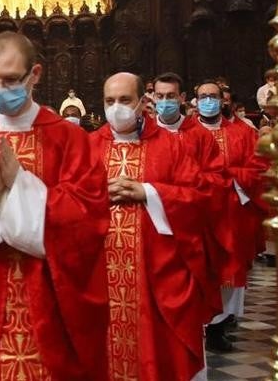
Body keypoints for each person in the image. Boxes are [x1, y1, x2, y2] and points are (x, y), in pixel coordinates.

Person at [0, 31, 108, 380]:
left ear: (35, 74)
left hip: (50, 299)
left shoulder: (68, 138)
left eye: (10, 80)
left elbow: (90, 213)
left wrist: (22, 185)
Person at [90, 72, 206, 380]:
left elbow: (198, 198)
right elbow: (65, 202)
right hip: (101, 274)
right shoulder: (86, 147)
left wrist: (150, 193)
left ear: (144, 102)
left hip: (155, 273)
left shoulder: (171, 146)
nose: (116, 107)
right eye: (109, 101)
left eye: (125, 100)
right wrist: (97, 196)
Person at [152, 72, 231, 351]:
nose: (165, 102)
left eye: (170, 97)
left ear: (183, 99)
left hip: (191, 231)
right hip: (154, 233)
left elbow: (218, 182)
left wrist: (184, 187)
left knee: (187, 313)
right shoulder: (144, 135)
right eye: (159, 97)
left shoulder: (199, 136)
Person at [193, 80, 268, 344]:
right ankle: (194, 323)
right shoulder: (185, 133)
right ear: (194, 100)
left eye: (212, 96)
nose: (208, 100)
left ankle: (218, 325)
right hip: (195, 214)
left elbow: (258, 167)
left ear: (224, 100)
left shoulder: (243, 133)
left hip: (230, 212)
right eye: (203, 96)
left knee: (228, 269)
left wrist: (227, 178)